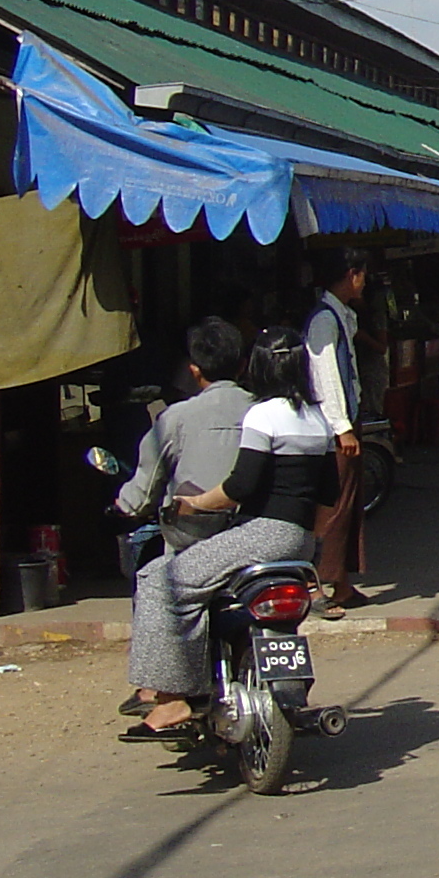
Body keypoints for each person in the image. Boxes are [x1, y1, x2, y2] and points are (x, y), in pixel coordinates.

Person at [122, 326, 337, 734]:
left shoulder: (262, 414)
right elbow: (329, 496)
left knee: (160, 580)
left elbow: (238, 487)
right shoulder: (317, 419)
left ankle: (170, 699)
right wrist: (313, 545)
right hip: (301, 540)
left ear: (257, 366)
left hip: (264, 533)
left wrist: (193, 504)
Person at [114, 318, 254, 554]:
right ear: (243, 366)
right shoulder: (267, 412)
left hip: (192, 543)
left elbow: (145, 489)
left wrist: (125, 504)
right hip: (255, 540)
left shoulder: (175, 418)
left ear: (194, 370)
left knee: (153, 585)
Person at [302, 250, 370, 615]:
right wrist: (342, 428)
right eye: (362, 275)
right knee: (334, 506)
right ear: (352, 275)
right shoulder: (324, 321)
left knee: (349, 503)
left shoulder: (340, 315)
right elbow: (325, 376)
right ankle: (317, 583)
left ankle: (341, 581)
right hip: (333, 426)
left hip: (346, 420)